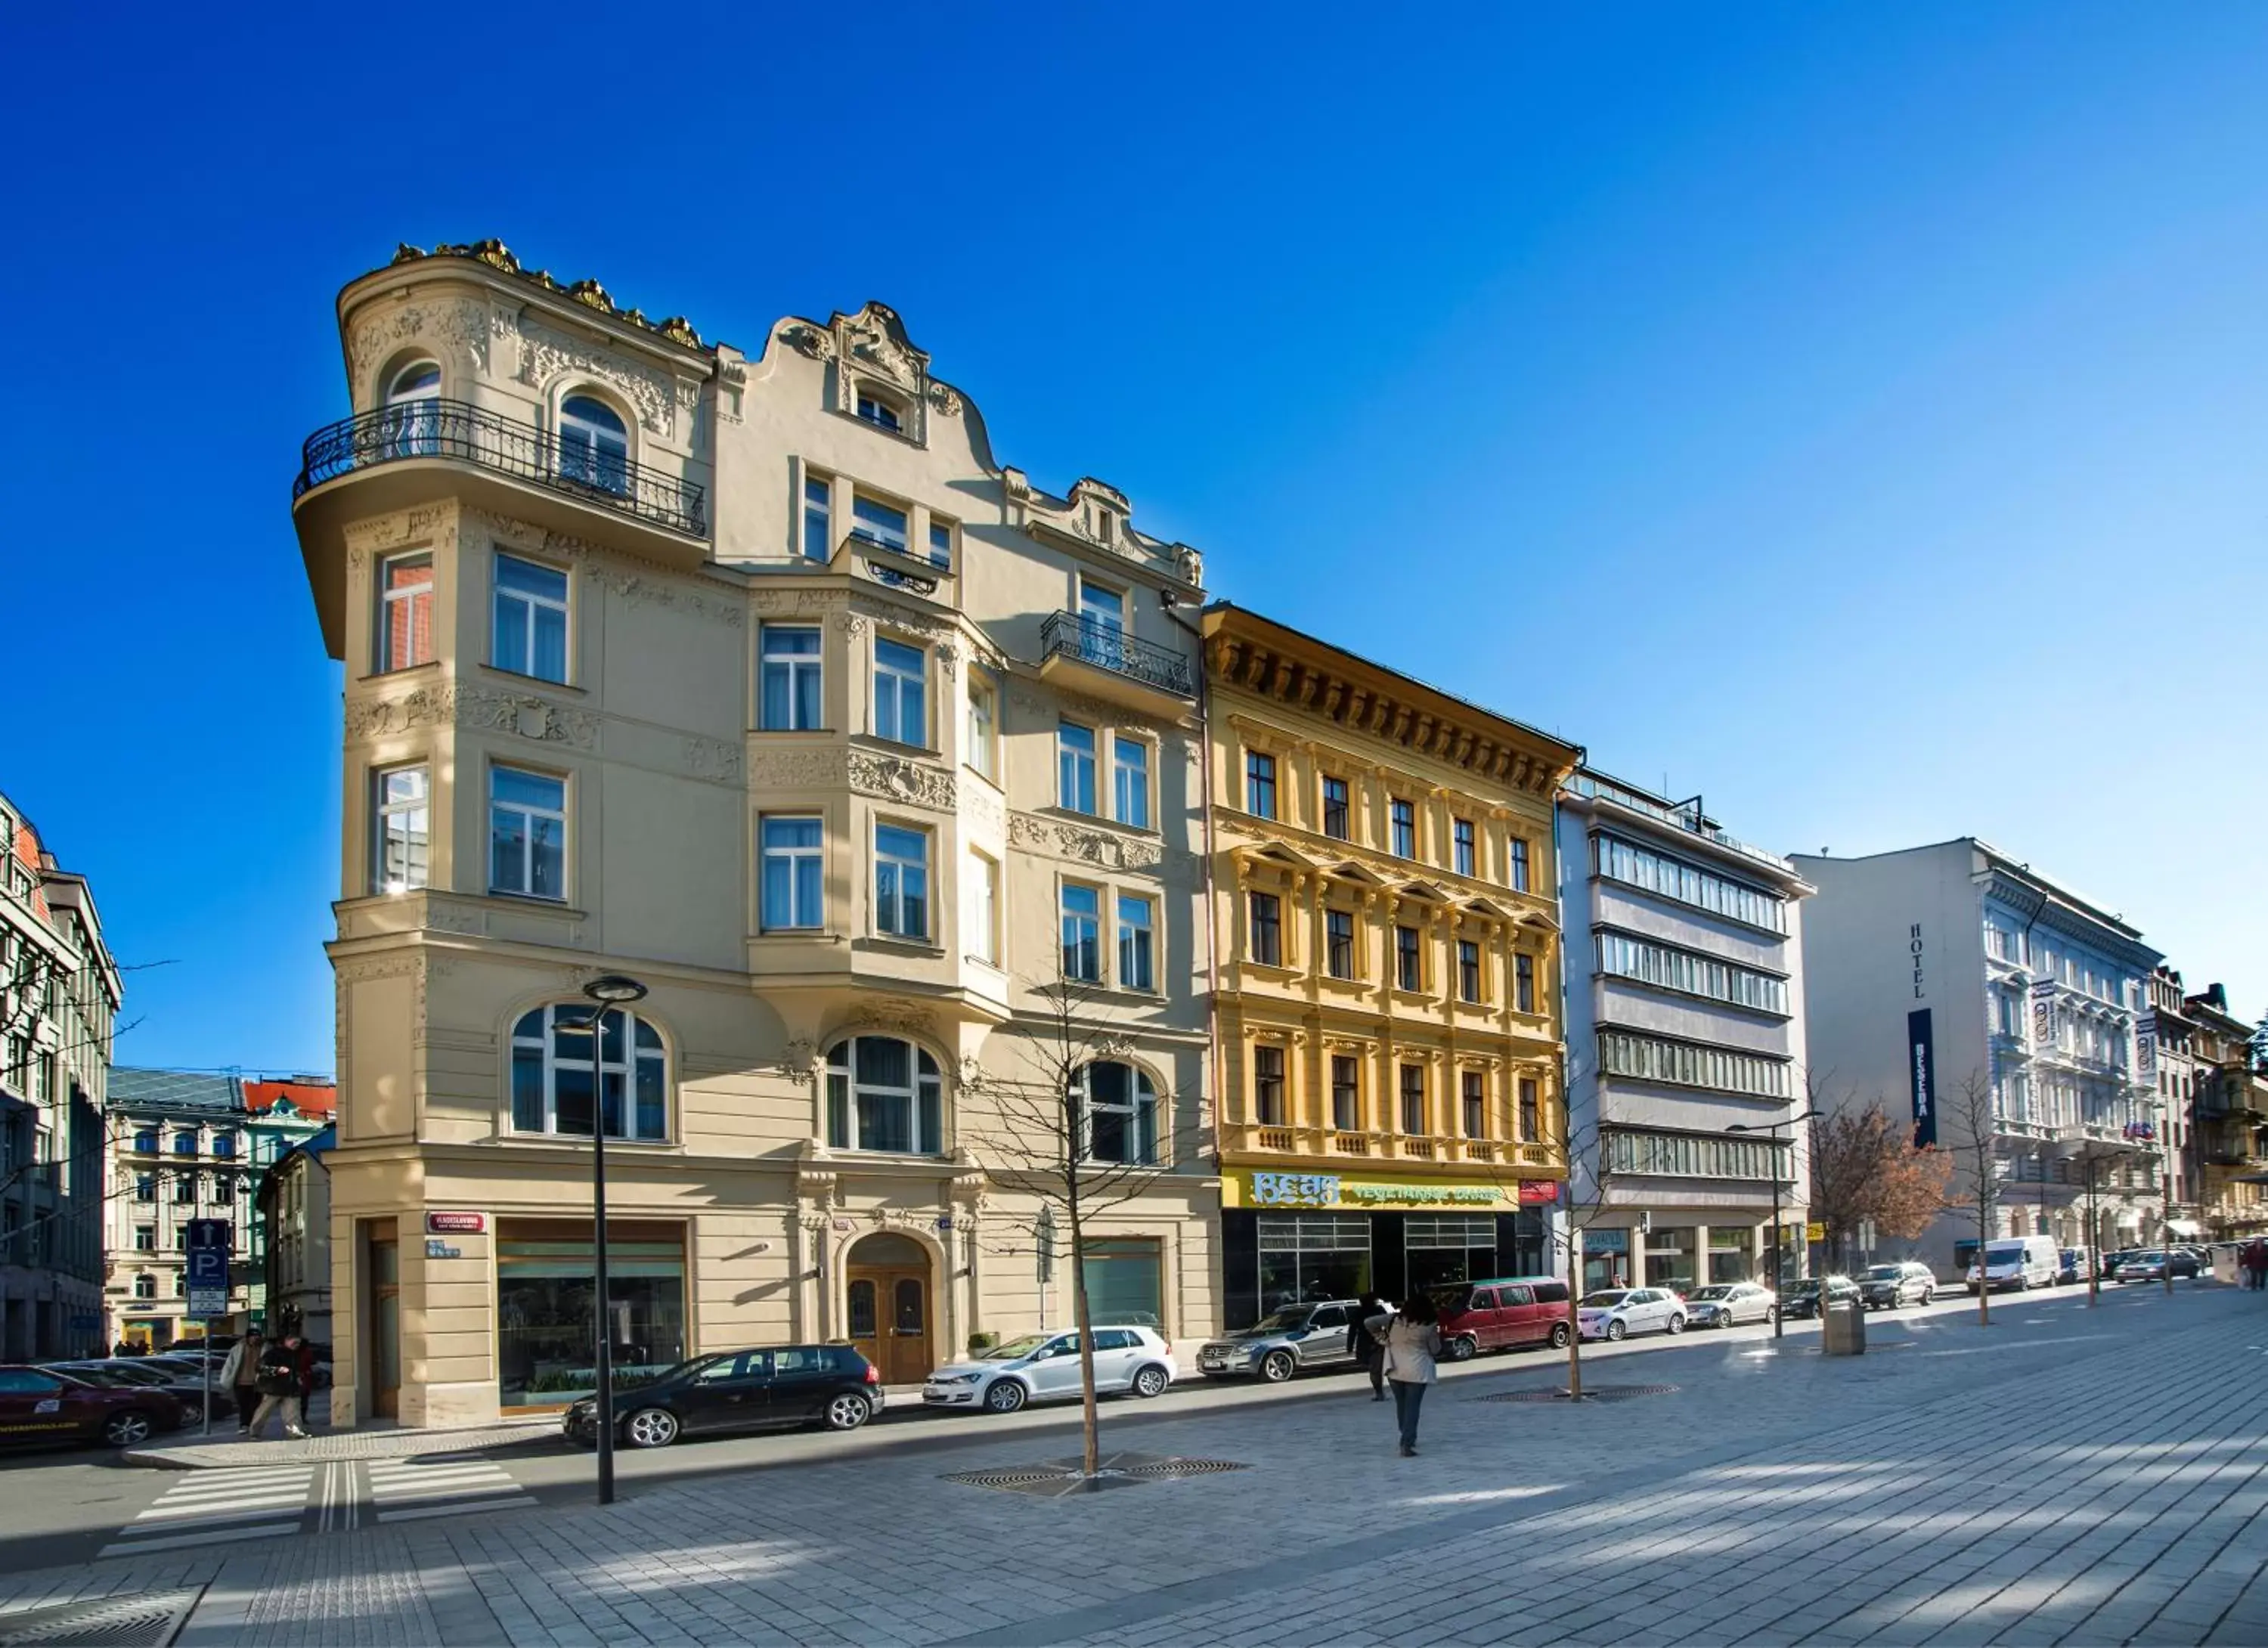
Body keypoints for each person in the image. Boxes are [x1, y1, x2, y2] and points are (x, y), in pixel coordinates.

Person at [1370, 1292, 1441, 1457]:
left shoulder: (1394, 1320)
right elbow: (1435, 1349)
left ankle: (1406, 1434)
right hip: (1417, 1370)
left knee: (1401, 1405)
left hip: (1394, 1368)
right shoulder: (1429, 1325)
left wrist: (1382, 1339)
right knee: (1412, 1407)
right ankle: (1407, 1442)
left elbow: (1369, 1322)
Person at [249, 1334, 314, 1440]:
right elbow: (260, 1367)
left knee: (293, 1413)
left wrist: (299, 1379)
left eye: (298, 1343)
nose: (296, 1345)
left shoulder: (296, 1354)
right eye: (294, 1343)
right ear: (286, 1341)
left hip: (291, 1388)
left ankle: (295, 1433)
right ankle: (254, 1432)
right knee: (264, 1412)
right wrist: (276, 1370)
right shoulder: (273, 1353)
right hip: (274, 1388)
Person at [220, 1332, 265, 1434]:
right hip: (241, 1382)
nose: (255, 1338)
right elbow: (230, 1364)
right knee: (244, 1405)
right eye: (253, 1336)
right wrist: (227, 1377)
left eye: (258, 1336)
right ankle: (244, 1425)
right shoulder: (238, 1349)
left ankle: (253, 1425)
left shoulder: (263, 1348)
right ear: (248, 1337)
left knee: (256, 1405)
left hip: (257, 1382)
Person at [1348, 1293, 1387, 1401]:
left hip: (1367, 1343)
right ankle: (1379, 1391)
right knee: (1376, 1369)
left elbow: (1352, 1330)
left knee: (1374, 1369)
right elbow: (1388, 1325)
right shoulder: (1378, 1310)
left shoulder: (1358, 1312)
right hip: (1377, 1342)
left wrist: (1350, 1346)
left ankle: (1379, 1391)